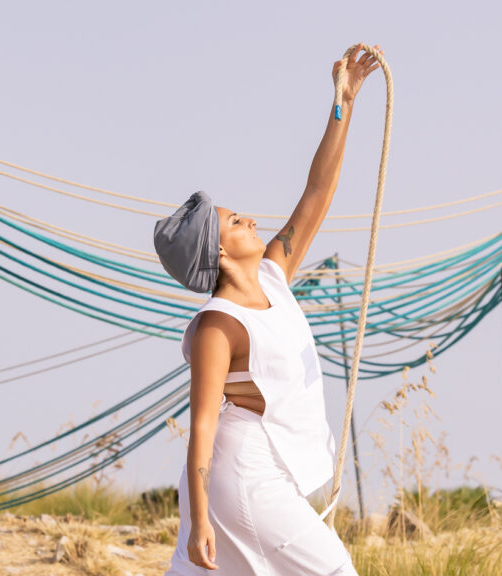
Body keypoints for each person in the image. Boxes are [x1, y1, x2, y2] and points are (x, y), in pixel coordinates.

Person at [153, 45, 383, 575]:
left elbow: (318, 192)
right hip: (240, 478)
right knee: (335, 571)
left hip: (263, 471)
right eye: (236, 223)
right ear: (217, 252)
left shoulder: (274, 276)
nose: (251, 220)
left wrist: (342, 103)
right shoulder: (218, 326)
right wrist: (201, 516)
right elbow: (203, 423)